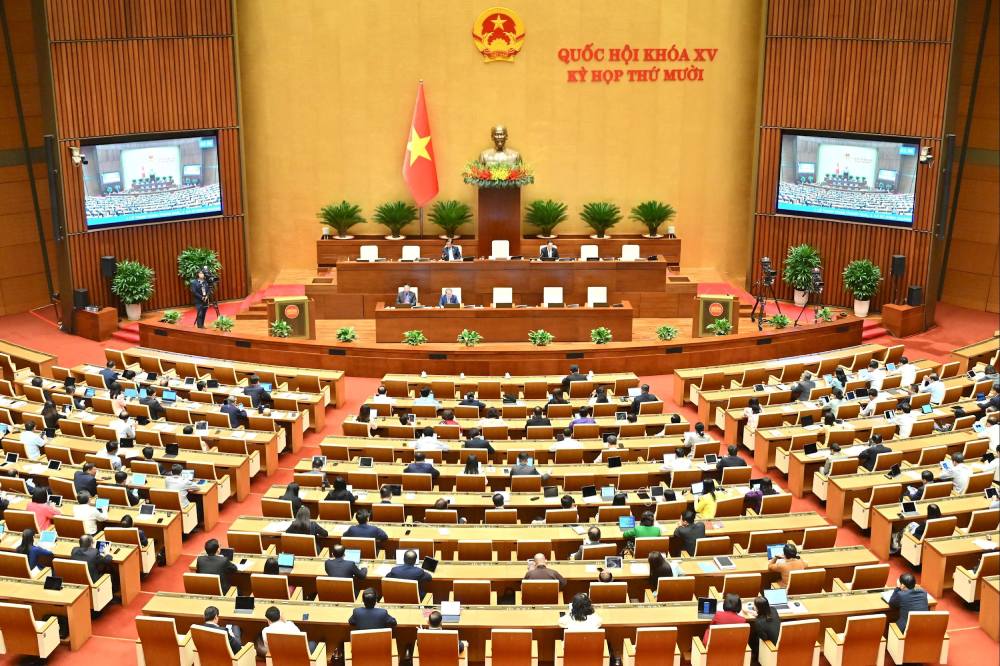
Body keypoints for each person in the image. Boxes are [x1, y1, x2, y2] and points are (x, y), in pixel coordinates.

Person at [746, 594, 781, 664]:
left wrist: (757, 617)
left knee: (752, 637)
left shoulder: (758, 622)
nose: (753, 606)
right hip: (779, 642)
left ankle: (754, 658)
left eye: (754, 606)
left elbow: (764, 638)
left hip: (770, 647)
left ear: (758, 608)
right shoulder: (773, 609)